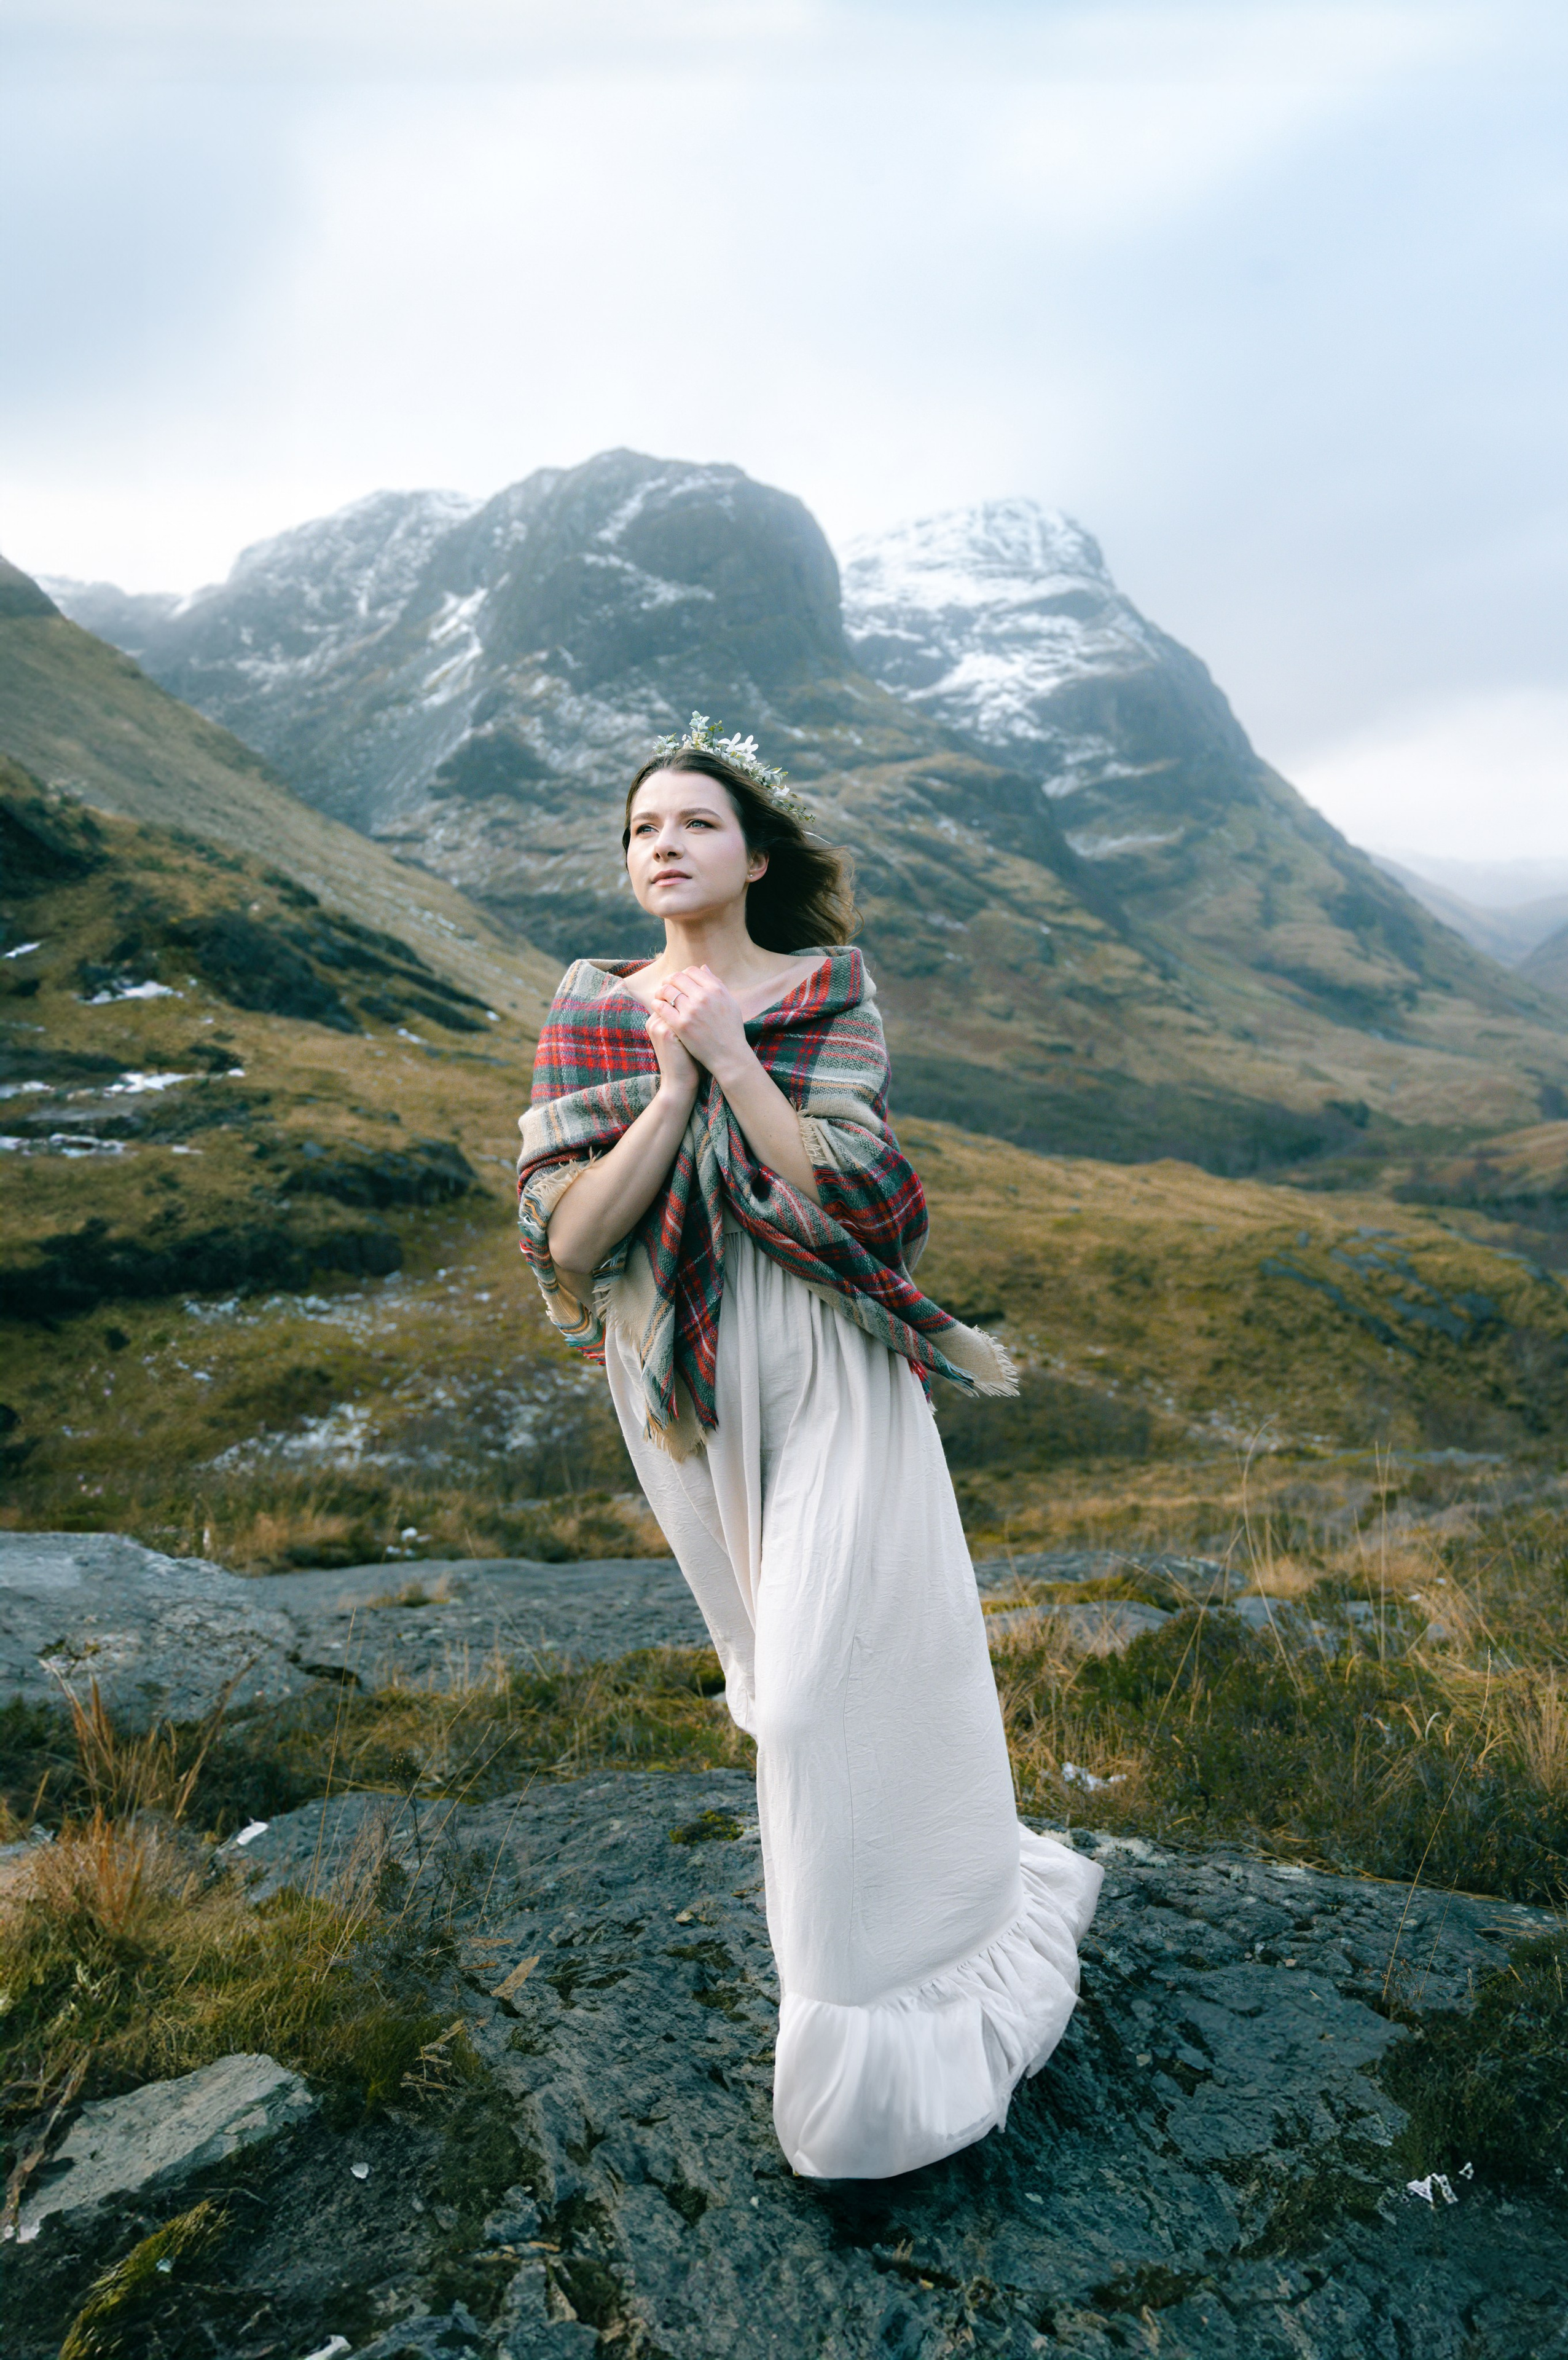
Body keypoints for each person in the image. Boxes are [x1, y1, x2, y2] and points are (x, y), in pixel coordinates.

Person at [517, 715, 1102, 2179]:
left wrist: (732, 1057)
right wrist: (666, 1095)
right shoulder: (589, 1008)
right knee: (773, 1677)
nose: (663, 843)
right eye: (641, 827)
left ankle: (870, 2053)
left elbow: (860, 1199)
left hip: (827, 1353)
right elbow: (569, 1241)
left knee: (828, 1683)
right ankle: (937, 1906)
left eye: (694, 823)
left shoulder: (823, 991)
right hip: (675, 1376)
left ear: (752, 854)